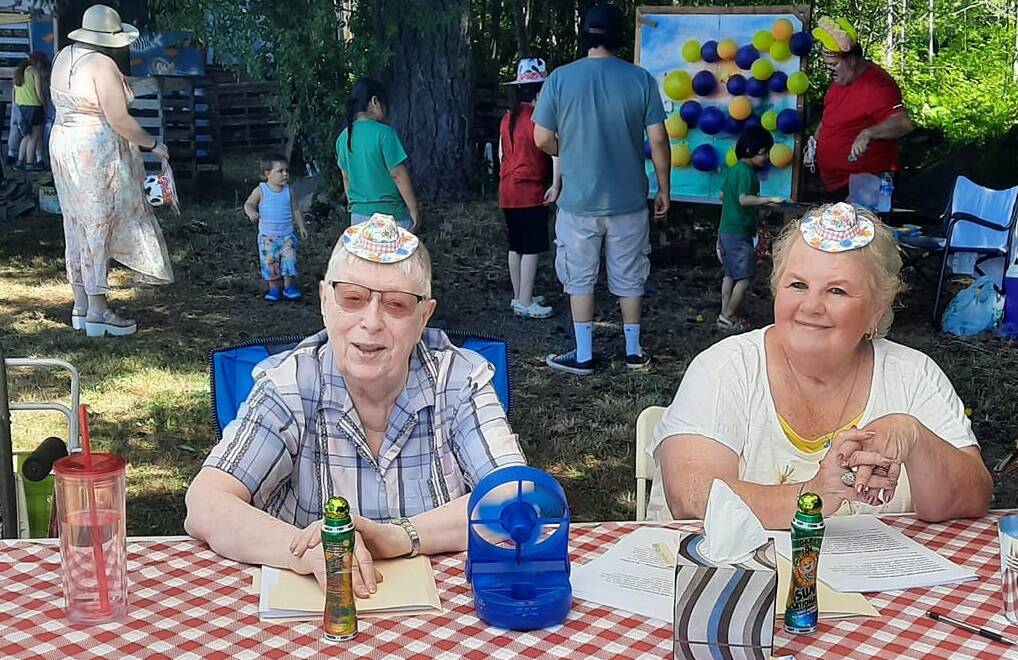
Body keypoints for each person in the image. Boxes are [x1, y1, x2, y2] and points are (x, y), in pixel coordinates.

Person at [185, 214, 526, 594]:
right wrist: (307, 552)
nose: (372, 322)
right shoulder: (289, 383)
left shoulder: (460, 379)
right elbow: (206, 502)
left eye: (396, 304)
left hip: (444, 608)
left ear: (423, 317)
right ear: (324, 301)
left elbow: (516, 495)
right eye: (352, 298)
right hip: (316, 606)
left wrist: (399, 537)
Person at [647, 203, 992, 527]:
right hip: (730, 572)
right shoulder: (725, 369)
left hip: (872, 571)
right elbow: (692, 498)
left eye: (837, 291)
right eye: (798, 285)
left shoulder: (913, 376)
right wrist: (813, 495)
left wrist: (914, 436)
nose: (811, 306)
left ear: (876, 309)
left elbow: (973, 499)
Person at [533, 2, 671, 375]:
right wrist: (664, 188)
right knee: (630, 275)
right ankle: (633, 352)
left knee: (579, 278)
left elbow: (541, 137)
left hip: (578, 201)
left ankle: (583, 355)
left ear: (585, 36)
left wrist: (567, 151)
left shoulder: (559, 79)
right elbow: (658, 139)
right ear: (618, 36)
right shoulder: (640, 79)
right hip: (629, 200)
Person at [49, 4, 173, 337]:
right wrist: (153, 144)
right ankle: (98, 311)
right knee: (97, 223)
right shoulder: (102, 64)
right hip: (94, 149)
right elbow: (119, 119)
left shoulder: (63, 56)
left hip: (64, 143)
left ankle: (81, 305)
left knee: (76, 222)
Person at [809, 17, 913, 199]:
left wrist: (868, 133)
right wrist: (814, 144)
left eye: (833, 65)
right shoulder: (840, 80)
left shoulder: (877, 85)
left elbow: (903, 123)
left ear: (851, 60)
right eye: (827, 66)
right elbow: (829, 116)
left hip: (868, 184)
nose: (829, 72)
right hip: (836, 184)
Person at [499, 57, 561, 319]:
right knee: (532, 246)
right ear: (541, 90)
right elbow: (556, 152)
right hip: (529, 189)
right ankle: (525, 301)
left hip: (507, 189)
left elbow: (501, 153)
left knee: (515, 245)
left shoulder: (507, 117)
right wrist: (556, 185)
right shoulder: (539, 118)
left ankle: (519, 295)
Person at [716, 127, 783, 332]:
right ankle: (728, 316)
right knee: (744, 277)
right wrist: (768, 200)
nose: (766, 157)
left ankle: (725, 314)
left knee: (729, 275)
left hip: (726, 229)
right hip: (739, 232)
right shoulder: (747, 172)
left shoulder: (734, 169)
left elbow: (722, 195)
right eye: (763, 152)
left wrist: (758, 209)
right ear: (748, 150)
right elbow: (744, 199)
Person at [337, 78, 421, 234]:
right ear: (375, 101)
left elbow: (346, 178)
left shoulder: (343, 138)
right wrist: (414, 209)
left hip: (358, 218)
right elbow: (398, 174)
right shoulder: (384, 133)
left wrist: (357, 206)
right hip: (391, 216)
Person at [243, 154, 308, 302]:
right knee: (270, 263)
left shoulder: (288, 190)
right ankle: (274, 288)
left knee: (289, 261)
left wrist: (301, 226)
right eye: (280, 171)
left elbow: (296, 209)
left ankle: (288, 287)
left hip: (287, 236)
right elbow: (248, 204)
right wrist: (251, 212)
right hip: (268, 237)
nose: (285, 174)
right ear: (267, 174)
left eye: (286, 170)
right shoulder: (261, 190)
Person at [13, 51, 48, 172]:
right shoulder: (34, 71)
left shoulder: (18, 72)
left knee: (26, 136)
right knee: (34, 138)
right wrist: (45, 104)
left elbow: (14, 91)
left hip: (21, 107)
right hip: (34, 107)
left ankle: (19, 163)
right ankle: (29, 164)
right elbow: (38, 92)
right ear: (37, 62)